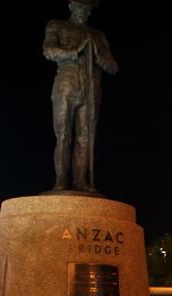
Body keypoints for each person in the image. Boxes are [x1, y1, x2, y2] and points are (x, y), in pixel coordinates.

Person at [44, 0, 118, 192]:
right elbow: (49, 50)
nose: (84, 11)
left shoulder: (97, 35)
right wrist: (76, 51)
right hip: (67, 83)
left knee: (85, 137)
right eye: (80, 6)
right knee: (63, 134)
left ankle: (80, 181)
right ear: (70, 5)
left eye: (87, 8)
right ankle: (61, 180)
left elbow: (113, 67)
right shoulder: (57, 25)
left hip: (92, 86)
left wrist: (96, 56)